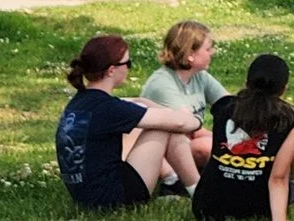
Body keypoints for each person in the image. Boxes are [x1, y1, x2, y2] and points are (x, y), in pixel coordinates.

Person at [55, 33, 203, 211]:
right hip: (113, 198)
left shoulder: (80, 101)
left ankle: (173, 179)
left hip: (84, 193)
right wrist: (196, 121)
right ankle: (200, 193)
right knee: (164, 127)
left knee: (150, 122)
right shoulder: (109, 108)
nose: (129, 69)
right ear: (111, 70)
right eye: (128, 64)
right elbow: (178, 123)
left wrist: (145, 103)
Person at [193, 53, 294, 221]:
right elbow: (278, 177)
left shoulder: (223, 107)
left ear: (246, 82)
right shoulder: (289, 116)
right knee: (291, 168)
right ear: (283, 89)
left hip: (208, 205)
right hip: (259, 206)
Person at [140, 19, 226, 171]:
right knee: (209, 147)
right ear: (190, 55)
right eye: (207, 49)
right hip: (164, 150)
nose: (212, 52)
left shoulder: (199, 76)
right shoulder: (163, 83)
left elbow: (229, 104)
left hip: (187, 141)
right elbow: (188, 127)